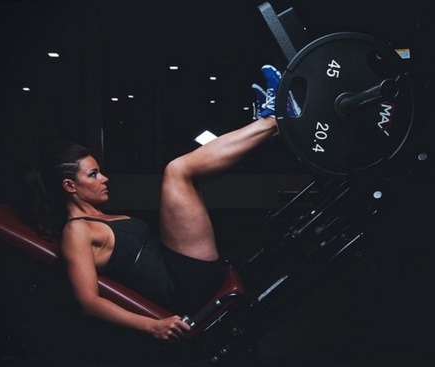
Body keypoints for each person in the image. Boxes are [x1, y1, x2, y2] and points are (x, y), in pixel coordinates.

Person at [26, 65, 295, 343]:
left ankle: (268, 127)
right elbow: (88, 302)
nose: (104, 179)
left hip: (181, 270)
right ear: (69, 186)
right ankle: (273, 120)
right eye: (93, 174)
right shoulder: (76, 232)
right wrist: (152, 326)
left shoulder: (98, 217)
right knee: (177, 171)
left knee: (186, 175)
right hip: (182, 287)